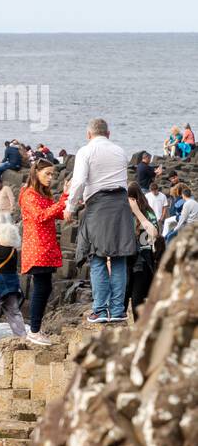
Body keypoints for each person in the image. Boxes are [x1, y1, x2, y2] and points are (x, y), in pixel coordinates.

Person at [66, 118, 135, 324]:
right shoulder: (120, 151)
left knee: (97, 257)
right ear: (109, 133)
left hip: (98, 206)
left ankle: (100, 310)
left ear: (89, 134)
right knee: (119, 258)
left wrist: (70, 206)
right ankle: (117, 310)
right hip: (121, 206)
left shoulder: (85, 151)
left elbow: (78, 182)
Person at [18, 159, 67, 346]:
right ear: (36, 173)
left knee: (45, 287)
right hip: (37, 247)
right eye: (47, 173)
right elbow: (40, 216)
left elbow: (58, 214)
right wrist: (64, 198)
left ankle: (36, 329)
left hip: (46, 247)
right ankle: (34, 331)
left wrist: (69, 200)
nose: (50, 177)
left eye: (52, 174)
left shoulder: (43, 195)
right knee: (40, 288)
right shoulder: (28, 195)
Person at [125, 184, 163, 320]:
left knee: (136, 299)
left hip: (142, 260)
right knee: (126, 298)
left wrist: (137, 212)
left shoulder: (146, 212)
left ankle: (139, 330)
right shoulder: (124, 212)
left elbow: (154, 233)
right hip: (127, 259)